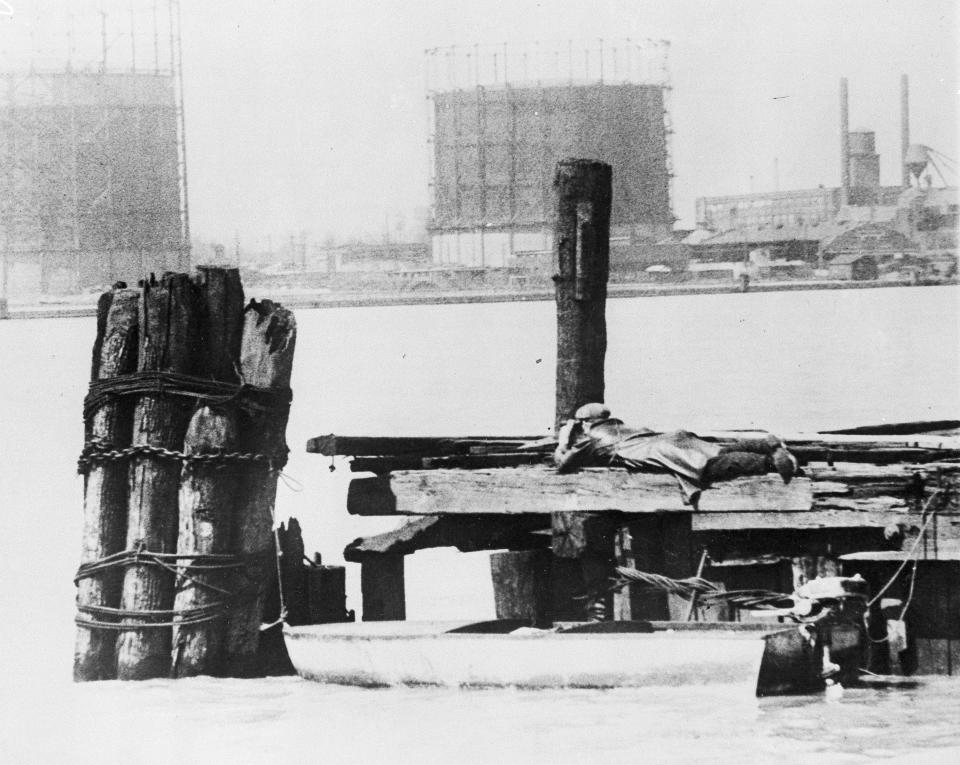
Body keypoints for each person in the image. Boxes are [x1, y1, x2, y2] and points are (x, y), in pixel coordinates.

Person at [553, 403, 798, 507]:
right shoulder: (619, 426)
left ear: (586, 423)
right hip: (671, 438)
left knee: (712, 466)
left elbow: (562, 465)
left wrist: (564, 440)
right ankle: (766, 445)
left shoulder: (592, 438)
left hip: (663, 451)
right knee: (718, 449)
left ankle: (770, 462)